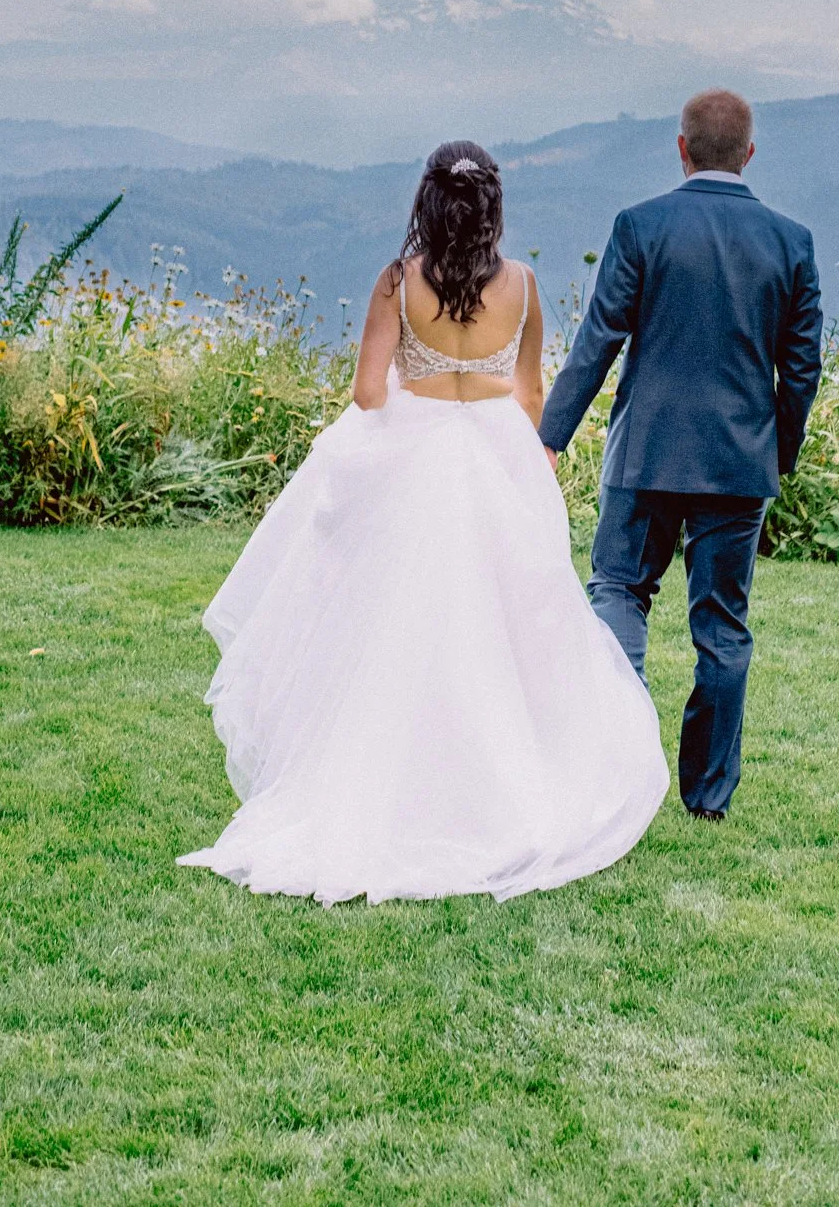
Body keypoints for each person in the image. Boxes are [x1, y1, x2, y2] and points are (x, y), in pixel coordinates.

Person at [179, 139, 668, 904]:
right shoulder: (526, 284)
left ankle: (391, 782)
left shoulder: (397, 282)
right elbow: (531, 395)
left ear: (429, 204)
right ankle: (510, 783)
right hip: (499, 460)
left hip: (416, 461)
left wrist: (415, 383)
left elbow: (368, 392)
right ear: (491, 208)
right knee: (509, 625)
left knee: (396, 624)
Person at [540, 89, 822, 823]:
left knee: (616, 592)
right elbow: (801, 369)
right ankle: (706, 799)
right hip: (738, 461)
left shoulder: (641, 226)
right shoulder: (791, 242)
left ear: (681, 146)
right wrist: (776, 452)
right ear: (749, 154)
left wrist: (548, 436)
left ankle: (611, 764)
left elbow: (597, 339)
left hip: (647, 452)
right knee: (722, 627)